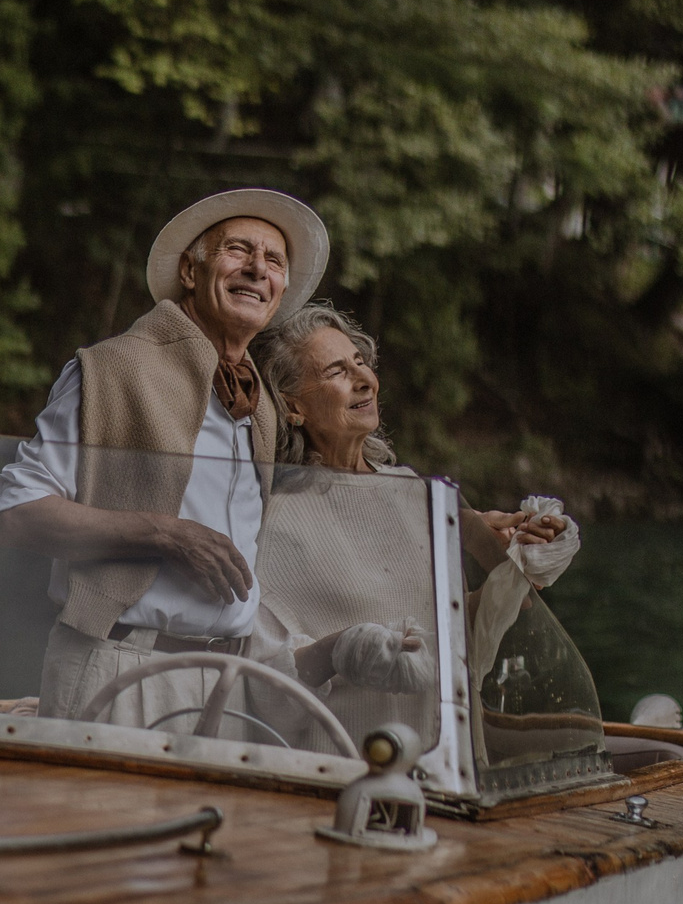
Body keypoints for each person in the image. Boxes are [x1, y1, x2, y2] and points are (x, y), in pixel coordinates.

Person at [0, 189, 328, 727]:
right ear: (190, 271)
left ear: (282, 287)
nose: (258, 269)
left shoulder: (259, 400)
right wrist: (167, 536)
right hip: (120, 666)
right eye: (238, 250)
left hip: (230, 679)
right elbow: (17, 514)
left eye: (274, 261)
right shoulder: (115, 367)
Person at [242, 302, 581, 754]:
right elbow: (261, 693)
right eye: (337, 371)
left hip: (450, 765)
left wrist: (521, 564)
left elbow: (460, 636)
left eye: (361, 362)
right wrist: (338, 650)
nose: (364, 379)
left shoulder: (414, 492)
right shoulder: (274, 517)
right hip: (346, 774)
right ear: (291, 405)